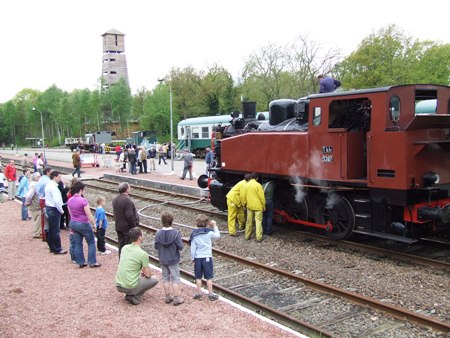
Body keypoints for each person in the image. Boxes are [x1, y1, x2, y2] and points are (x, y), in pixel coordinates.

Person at [115, 227, 158, 305]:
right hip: (129, 285)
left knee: (139, 277)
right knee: (154, 279)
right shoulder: (143, 254)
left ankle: (131, 293)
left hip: (118, 284)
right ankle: (135, 295)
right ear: (140, 237)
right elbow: (148, 275)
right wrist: (146, 273)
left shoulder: (124, 248)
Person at [67, 181, 101, 268]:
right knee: (91, 242)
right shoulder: (83, 200)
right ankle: (92, 262)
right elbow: (89, 214)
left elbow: (70, 213)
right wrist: (94, 224)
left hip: (73, 222)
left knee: (78, 243)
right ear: (81, 190)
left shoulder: (70, 200)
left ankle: (80, 262)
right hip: (83, 223)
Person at [154, 211, 184, 306]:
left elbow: (156, 246)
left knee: (165, 277)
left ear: (162, 221)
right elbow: (180, 246)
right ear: (172, 221)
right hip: (173, 259)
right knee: (175, 278)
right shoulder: (176, 233)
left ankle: (167, 296)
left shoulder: (158, 233)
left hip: (163, 259)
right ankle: (176, 298)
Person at [190, 214, 220, 301]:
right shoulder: (209, 233)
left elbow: (193, 249)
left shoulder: (194, 234)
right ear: (206, 223)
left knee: (198, 277)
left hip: (198, 258)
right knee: (209, 277)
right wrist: (215, 226)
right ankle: (210, 294)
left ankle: (199, 293)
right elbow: (217, 235)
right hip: (207, 257)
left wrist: (193, 258)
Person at [112, 182, 140, 257]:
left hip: (118, 226)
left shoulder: (115, 199)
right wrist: (134, 227)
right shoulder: (127, 201)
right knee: (128, 247)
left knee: (121, 246)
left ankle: (121, 261)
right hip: (127, 229)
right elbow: (130, 216)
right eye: (129, 187)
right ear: (126, 189)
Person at [44, 170, 67, 254]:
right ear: (55, 177)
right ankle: (57, 248)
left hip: (49, 207)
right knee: (55, 230)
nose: (60, 178)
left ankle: (52, 247)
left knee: (51, 229)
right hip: (54, 209)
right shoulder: (53, 187)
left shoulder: (48, 185)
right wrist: (61, 210)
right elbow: (56, 200)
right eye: (59, 177)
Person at [244, 173, 266, 242]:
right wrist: (263, 205)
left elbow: (243, 196)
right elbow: (262, 197)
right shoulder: (258, 185)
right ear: (256, 178)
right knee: (258, 222)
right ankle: (258, 238)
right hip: (258, 207)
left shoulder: (246, 185)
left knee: (249, 221)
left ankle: (247, 236)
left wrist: (245, 204)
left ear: (251, 178)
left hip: (249, 206)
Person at [35, 167, 52, 241]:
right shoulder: (47, 181)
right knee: (47, 218)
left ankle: (44, 234)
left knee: (43, 218)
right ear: (48, 172)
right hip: (45, 199)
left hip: (41, 198)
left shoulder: (41, 179)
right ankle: (46, 235)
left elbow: (37, 189)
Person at [25, 172, 42, 238]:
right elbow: (29, 195)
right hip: (35, 204)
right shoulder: (34, 185)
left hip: (35, 204)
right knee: (38, 218)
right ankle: (36, 233)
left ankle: (37, 231)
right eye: (38, 176)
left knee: (37, 218)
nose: (40, 178)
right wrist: (28, 202)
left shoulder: (34, 184)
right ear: (35, 178)